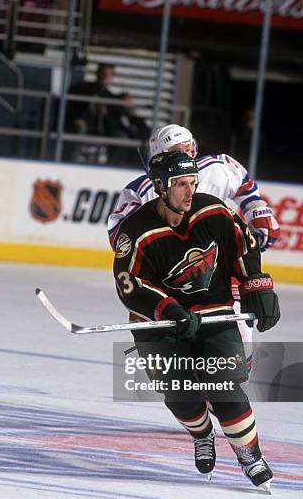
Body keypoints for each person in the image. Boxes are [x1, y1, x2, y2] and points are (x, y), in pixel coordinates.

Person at [113, 151, 280, 490]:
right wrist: (170, 310)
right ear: (161, 187)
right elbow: (130, 286)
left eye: (193, 183)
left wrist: (256, 285)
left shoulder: (215, 213)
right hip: (159, 324)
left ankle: (249, 454)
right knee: (181, 396)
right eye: (181, 185)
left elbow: (245, 250)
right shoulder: (136, 230)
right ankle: (203, 434)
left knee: (226, 390)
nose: (189, 192)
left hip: (213, 314)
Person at [107, 123, 281, 369]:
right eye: (179, 150)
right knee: (181, 346)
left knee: (239, 340)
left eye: (190, 150)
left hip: (217, 264)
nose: (188, 157)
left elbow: (246, 189)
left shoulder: (217, 167)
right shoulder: (141, 191)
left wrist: (257, 210)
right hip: (172, 274)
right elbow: (121, 237)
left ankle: (224, 389)